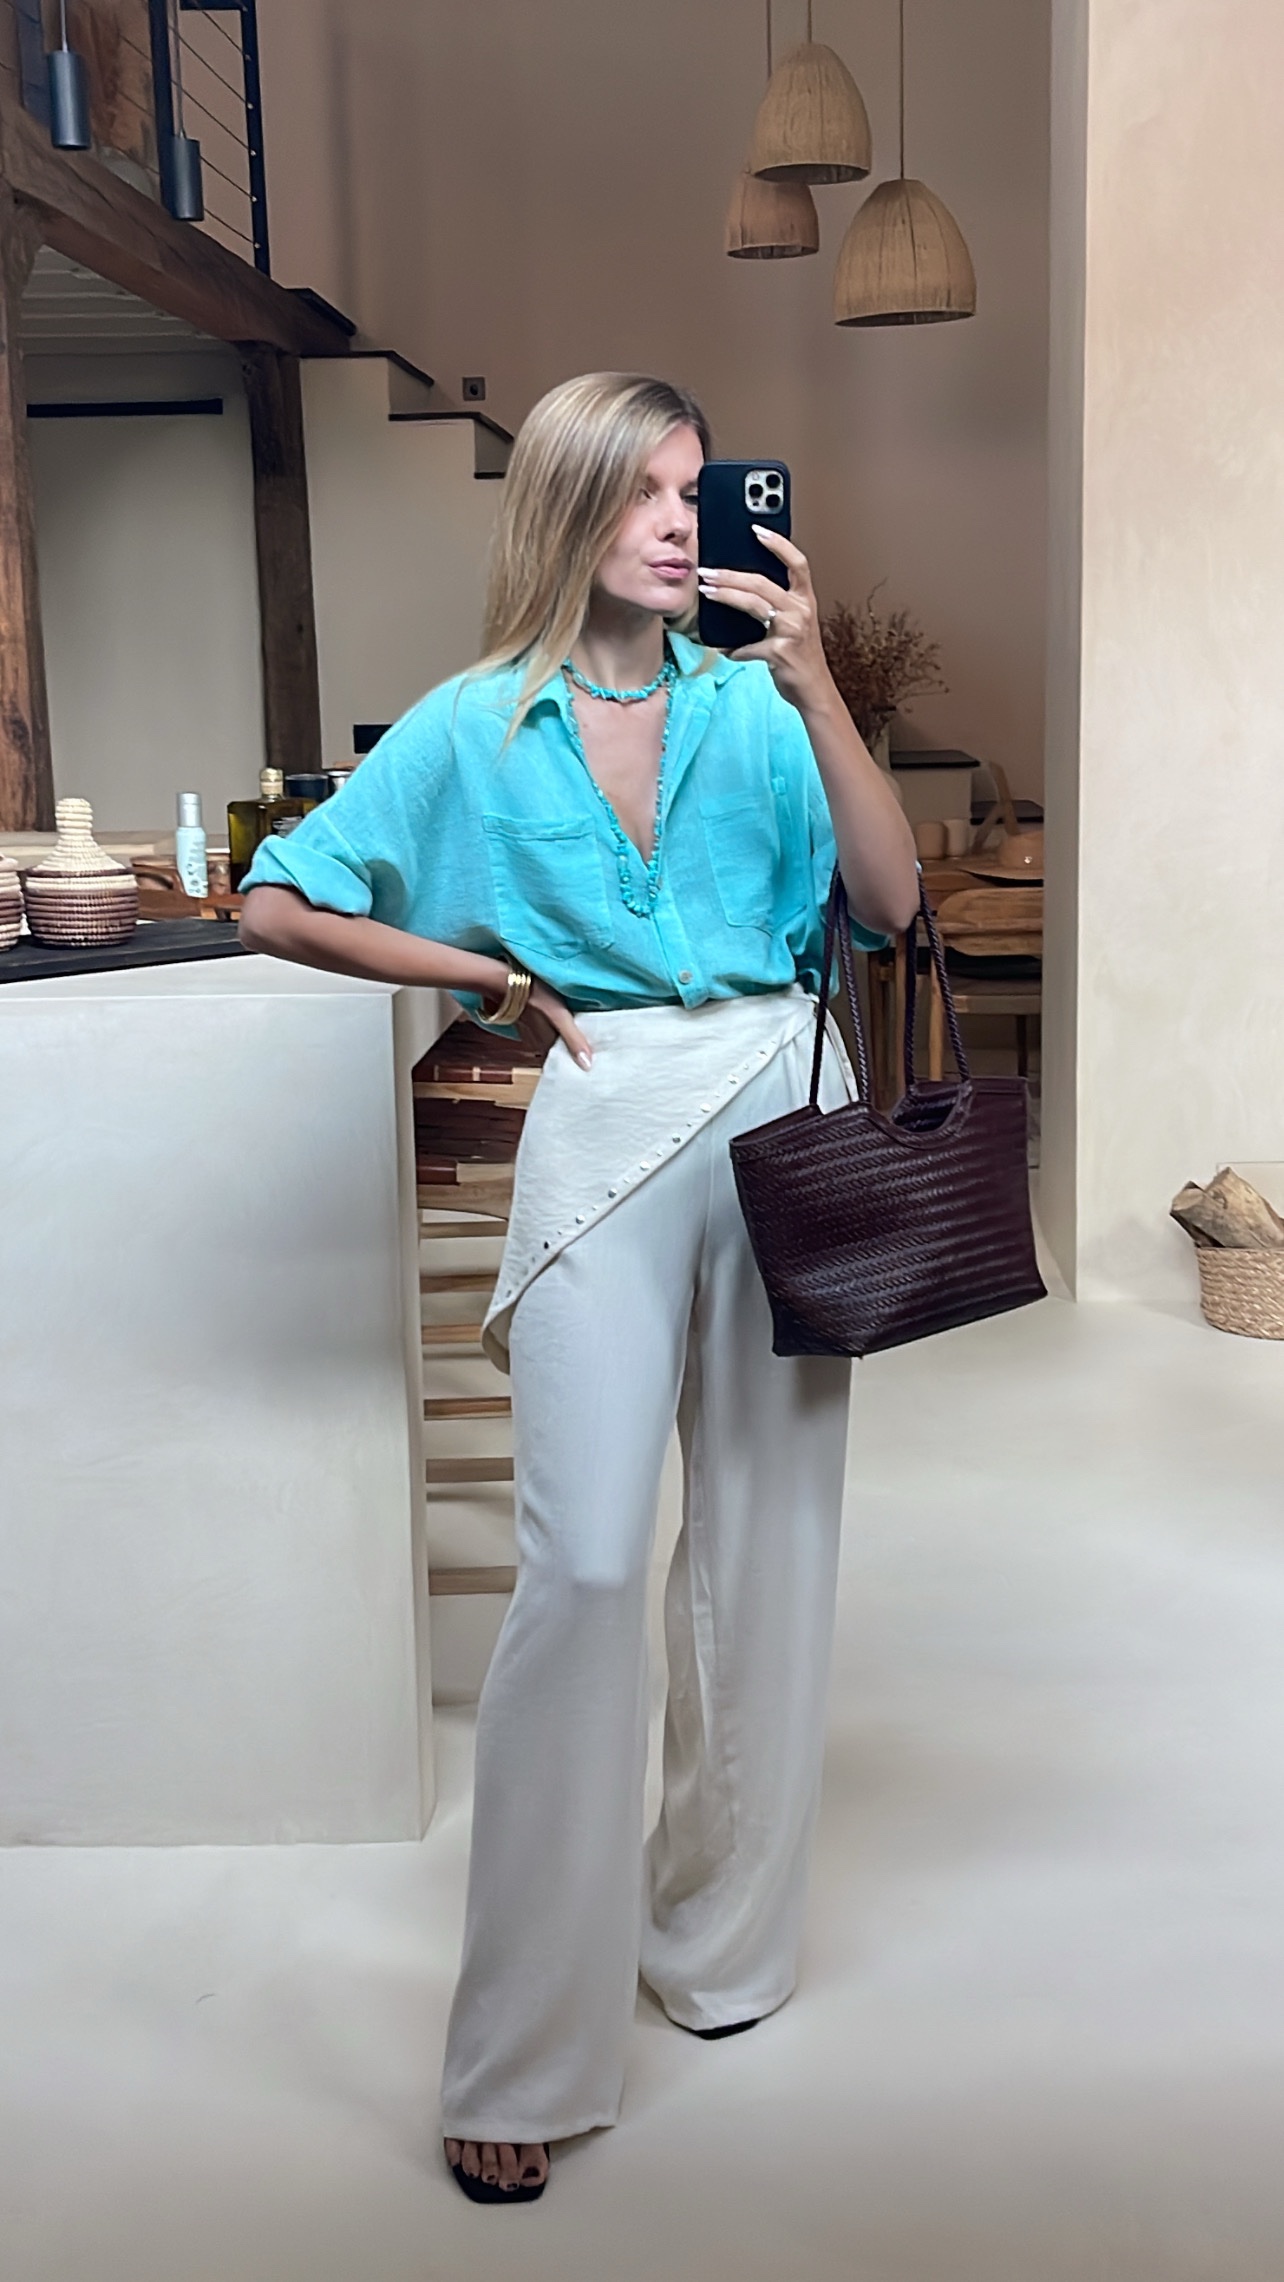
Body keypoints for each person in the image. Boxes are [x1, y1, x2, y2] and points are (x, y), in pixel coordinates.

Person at [239, 371, 919, 2204]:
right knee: (591, 1564)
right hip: (604, 1110)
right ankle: (525, 2045)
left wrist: (820, 684)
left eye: (698, 489)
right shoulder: (477, 724)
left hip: (781, 1097)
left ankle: (720, 1949)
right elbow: (280, 897)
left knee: (767, 1543)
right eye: (645, 491)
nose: (683, 522)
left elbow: (888, 899)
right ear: (566, 506)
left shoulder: (758, 703)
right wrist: (477, 972)